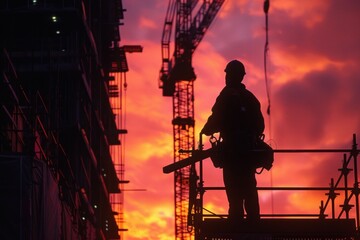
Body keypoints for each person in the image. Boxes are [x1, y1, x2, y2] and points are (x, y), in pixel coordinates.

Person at [201, 60, 265, 221]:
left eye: (228, 74)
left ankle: (236, 222)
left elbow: (216, 118)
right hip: (249, 152)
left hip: (231, 152)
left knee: (234, 189)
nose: (227, 77)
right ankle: (254, 222)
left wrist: (206, 130)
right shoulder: (250, 98)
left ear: (233, 76)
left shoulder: (226, 95)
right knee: (249, 187)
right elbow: (260, 125)